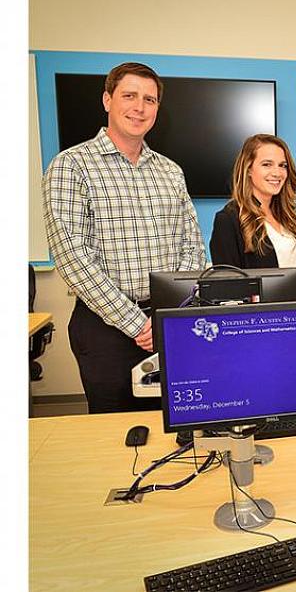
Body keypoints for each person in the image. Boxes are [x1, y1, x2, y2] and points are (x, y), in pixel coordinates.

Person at [43, 62, 206, 414]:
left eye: (150, 99)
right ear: (107, 100)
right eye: (129, 96)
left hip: (167, 321)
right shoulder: (71, 165)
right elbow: (73, 257)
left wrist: (170, 315)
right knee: (117, 437)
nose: (140, 107)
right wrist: (137, 323)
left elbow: (192, 245)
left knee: (176, 423)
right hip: (106, 328)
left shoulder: (170, 171)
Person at [210, 134, 296, 269]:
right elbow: (227, 283)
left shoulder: (288, 216)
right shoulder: (229, 219)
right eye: (267, 164)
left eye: (282, 165)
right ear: (248, 169)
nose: (277, 173)